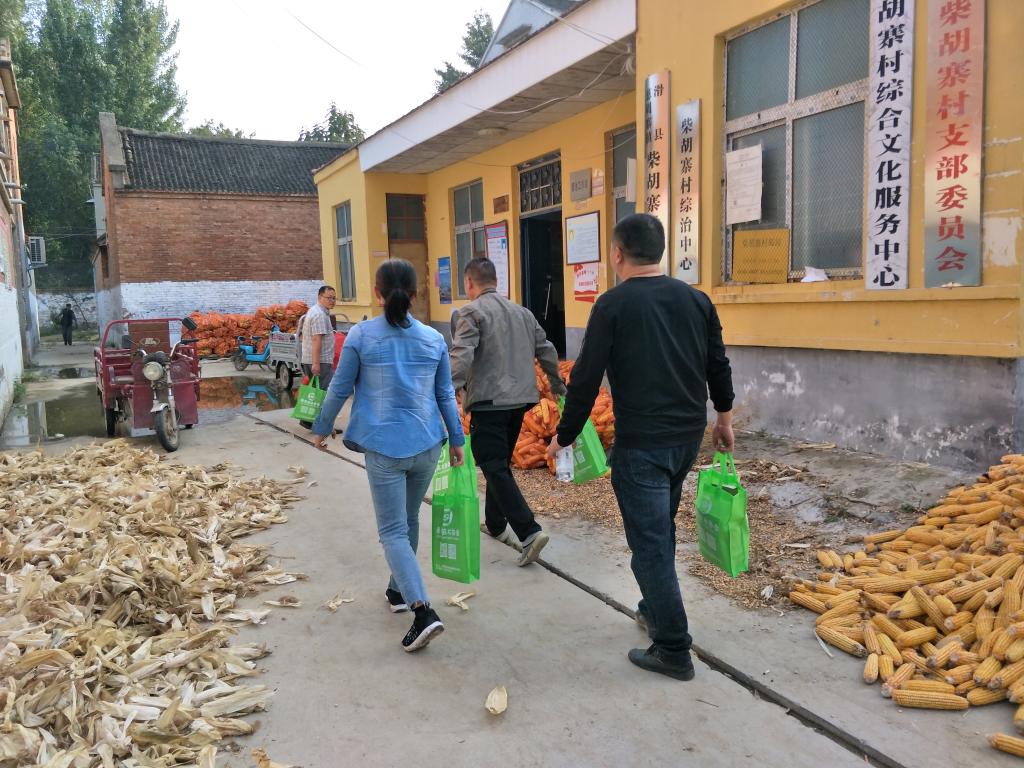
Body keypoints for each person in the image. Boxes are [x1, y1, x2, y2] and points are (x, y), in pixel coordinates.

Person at [546, 213, 735, 682]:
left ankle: (673, 648)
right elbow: (717, 363)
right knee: (659, 529)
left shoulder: (612, 305)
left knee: (649, 544)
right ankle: (654, 607)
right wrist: (724, 419)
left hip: (643, 445)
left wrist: (563, 436)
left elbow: (585, 379)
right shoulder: (697, 300)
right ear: (661, 250)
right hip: (686, 438)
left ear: (617, 253)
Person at [311, 259, 465, 653]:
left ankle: (422, 611)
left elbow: (340, 387)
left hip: (383, 448)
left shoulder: (361, 336)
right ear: (415, 294)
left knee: (393, 530)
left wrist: (322, 426)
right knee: (408, 519)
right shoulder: (433, 338)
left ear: (377, 294)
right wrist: (457, 438)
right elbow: (445, 393)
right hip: (427, 444)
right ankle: (398, 591)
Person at [450, 257, 565, 566]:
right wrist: (556, 382)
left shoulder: (470, 312)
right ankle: (496, 524)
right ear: (496, 281)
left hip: (489, 402)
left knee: (492, 464)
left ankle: (529, 531)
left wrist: (447, 390)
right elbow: (547, 349)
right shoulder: (523, 313)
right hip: (520, 401)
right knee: (498, 463)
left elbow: (461, 355)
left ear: (469, 283)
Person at [301, 285, 337, 391]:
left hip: (313, 360)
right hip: (321, 362)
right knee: (324, 393)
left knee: (316, 393)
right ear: (320, 297)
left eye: (334, 298)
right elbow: (316, 339)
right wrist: (316, 364)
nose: (332, 301)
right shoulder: (319, 315)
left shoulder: (315, 310)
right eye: (329, 298)